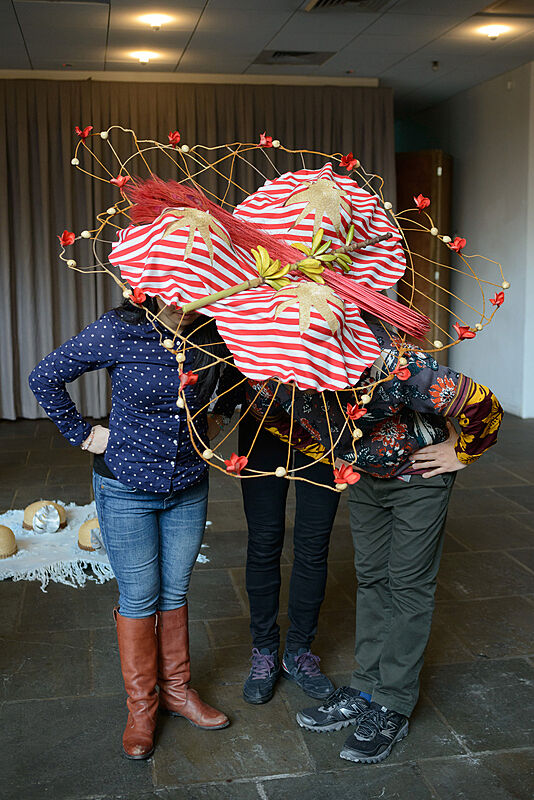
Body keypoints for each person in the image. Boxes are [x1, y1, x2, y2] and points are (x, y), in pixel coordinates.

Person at [256, 325, 502, 763]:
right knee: (371, 579)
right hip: (367, 477)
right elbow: (279, 422)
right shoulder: (275, 372)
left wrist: (461, 451)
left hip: (419, 477)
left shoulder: (395, 366)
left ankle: (394, 703)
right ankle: (366, 687)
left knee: (407, 585)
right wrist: (326, 449)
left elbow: (483, 403)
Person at [29, 296, 233, 760]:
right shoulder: (118, 330)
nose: (191, 301)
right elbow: (44, 376)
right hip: (125, 486)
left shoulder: (214, 331)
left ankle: (178, 693)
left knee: (174, 593)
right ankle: (143, 706)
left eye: (201, 287)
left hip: (187, 485)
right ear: (155, 287)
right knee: (140, 595)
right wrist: (83, 433)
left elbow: (238, 384)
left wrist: (212, 428)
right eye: (179, 290)